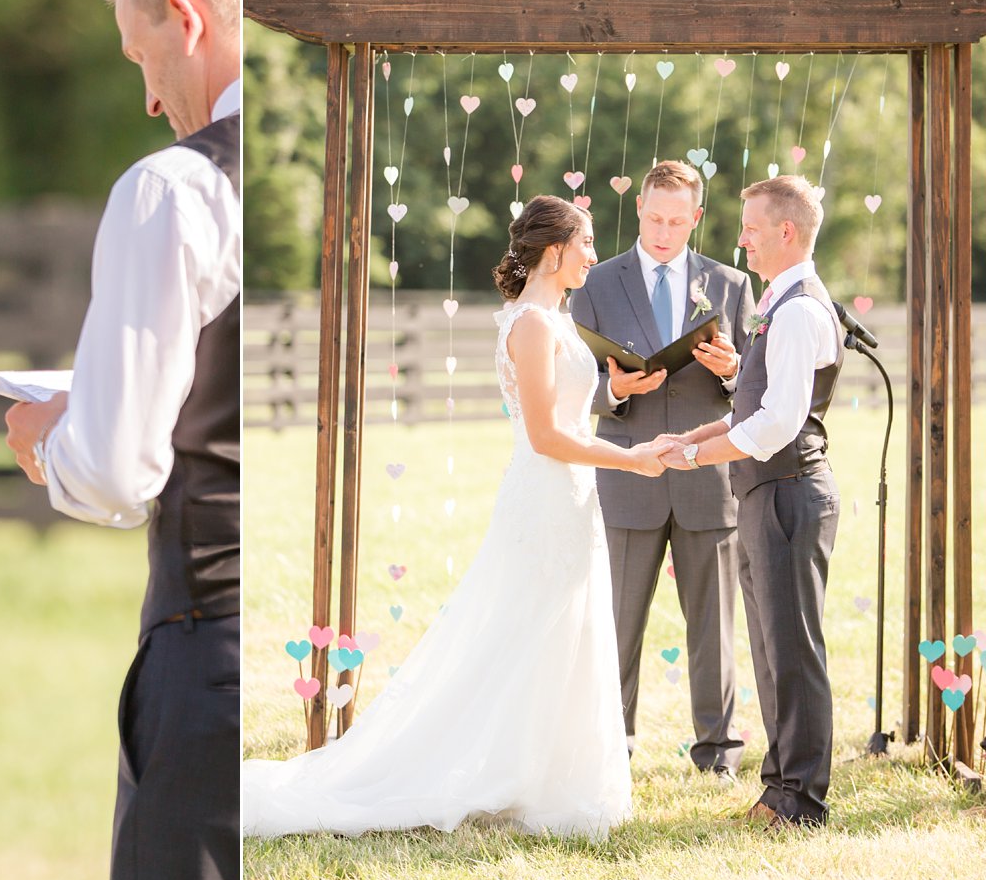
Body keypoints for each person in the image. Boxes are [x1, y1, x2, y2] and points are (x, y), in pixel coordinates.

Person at [244, 196, 670, 840]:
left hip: (571, 497)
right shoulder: (530, 325)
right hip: (546, 496)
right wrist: (633, 459)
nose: (593, 254)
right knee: (525, 634)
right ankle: (491, 773)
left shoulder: (555, 318)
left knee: (562, 633)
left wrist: (617, 393)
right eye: (585, 242)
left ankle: (545, 774)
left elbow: (570, 406)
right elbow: (548, 435)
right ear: (554, 252)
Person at [4, 0, 241, 880]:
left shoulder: (171, 186)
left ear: (183, 19)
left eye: (142, 58)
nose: (149, 97)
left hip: (207, 639)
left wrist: (48, 435)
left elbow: (112, 472)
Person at [658, 175, 843, 829]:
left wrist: (691, 456)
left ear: (786, 232)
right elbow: (752, 406)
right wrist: (693, 434)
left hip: (790, 494)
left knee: (794, 649)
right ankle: (779, 785)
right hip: (769, 494)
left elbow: (776, 426)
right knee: (770, 646)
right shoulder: (781, 303)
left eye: (752, 228)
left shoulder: (797, 312)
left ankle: (803, 799)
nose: (742, 239)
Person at [569, 160, 754, 776]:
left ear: (696, 219)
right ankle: (609, 747)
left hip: (709, 477)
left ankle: (718, 752)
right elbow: (572, 381)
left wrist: (731, 370)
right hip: (626, 472)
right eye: (653, 218)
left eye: (677, 221)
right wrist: (615, 389)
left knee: (714, 627)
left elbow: (759, 385)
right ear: (639, 210)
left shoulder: (729, 284)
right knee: (617, 623)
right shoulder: (596, 283)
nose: (663, 231)